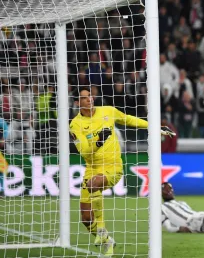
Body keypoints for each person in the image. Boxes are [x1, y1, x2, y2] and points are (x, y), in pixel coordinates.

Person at [70, 87, 175, 256]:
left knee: (93, 184)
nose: (89, 99)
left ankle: (102, 229)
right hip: (92, 168)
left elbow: (129, 120)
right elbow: (84, 151)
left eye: (90, 96)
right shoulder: (75, 124)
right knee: (86, 218)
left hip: (113, 167)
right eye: (84, 98)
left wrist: (155, 127)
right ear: (77, 102)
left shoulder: (108, 111)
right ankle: (107, 241)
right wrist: (98, 141)